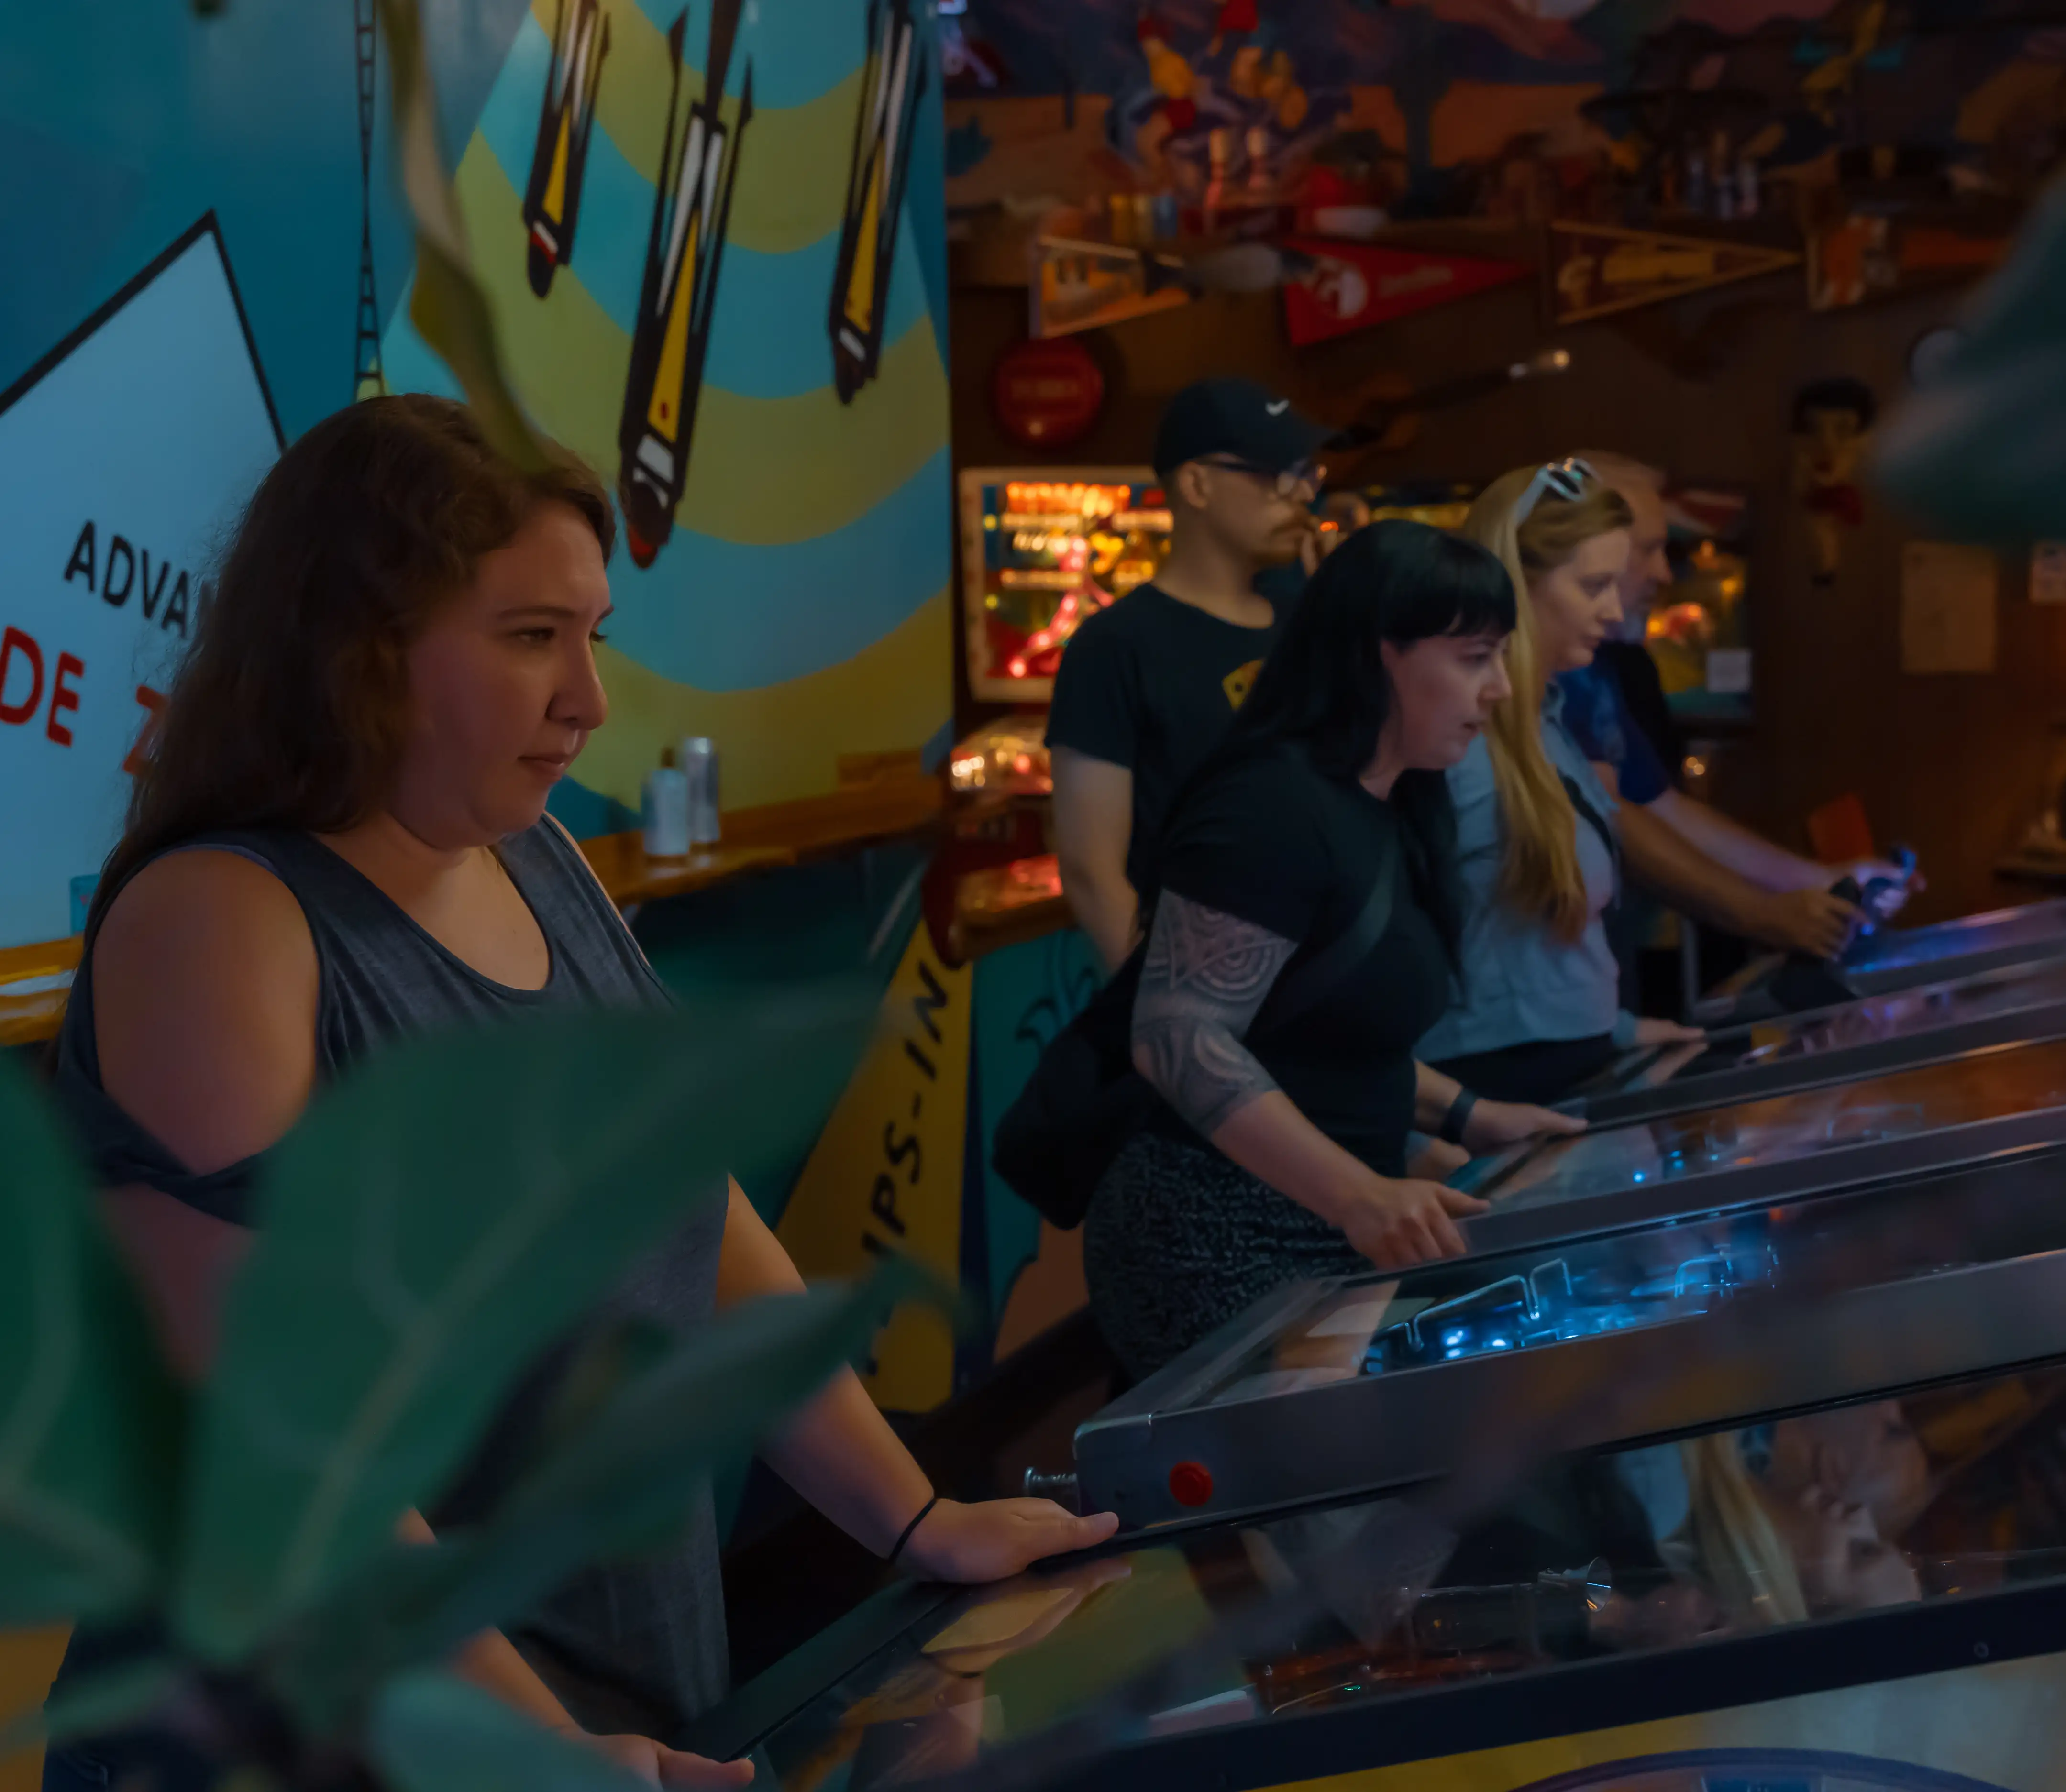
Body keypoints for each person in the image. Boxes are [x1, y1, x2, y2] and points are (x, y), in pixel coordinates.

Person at [43, 396, 1114, 1792]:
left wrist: (914, 1521)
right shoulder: (219, 919)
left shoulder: (535, 856)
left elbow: (701, 1221)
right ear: (361, 648)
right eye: (530, 637)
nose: (589, 702)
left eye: (590, 636)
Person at [1082, 520, 1583, 1379]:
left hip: (1329, 1220)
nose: (1500, 687)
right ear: (1382, 652)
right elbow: (1178, 1037)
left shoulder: (1389, 803)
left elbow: (1326, 1036)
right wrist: (1361, 1197)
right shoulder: (1267, 808)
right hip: (1218, 1231)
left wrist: (1468, 1114)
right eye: (1473, 657)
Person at [1416, 461, 1864, 1107]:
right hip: (1491, 1093)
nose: (1614, 604)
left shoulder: (1549, 727)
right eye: (1593, 584)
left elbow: (1540, 961)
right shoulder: (1454, 748)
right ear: (1515, 584)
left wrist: (1618, 1030)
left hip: (1570, 1068)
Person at [1047, 378, 1327, 969]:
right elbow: (1090, 871)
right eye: (1275, 473)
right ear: (1197, 484)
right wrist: (1177, 1012)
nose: (1299, 493)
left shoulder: (1307, 621)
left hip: (1317, 987)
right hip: (1199, 989)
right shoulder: (1115, 646)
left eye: (1305, 474)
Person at [1562, 451, 1914, 919]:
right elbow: (1624, 825)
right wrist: (1771, 916)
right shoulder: (1535, 677)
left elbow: (1660, 806)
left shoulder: (1596, 664)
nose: (1666, 574)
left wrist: (1824, 880)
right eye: (1646, 550)